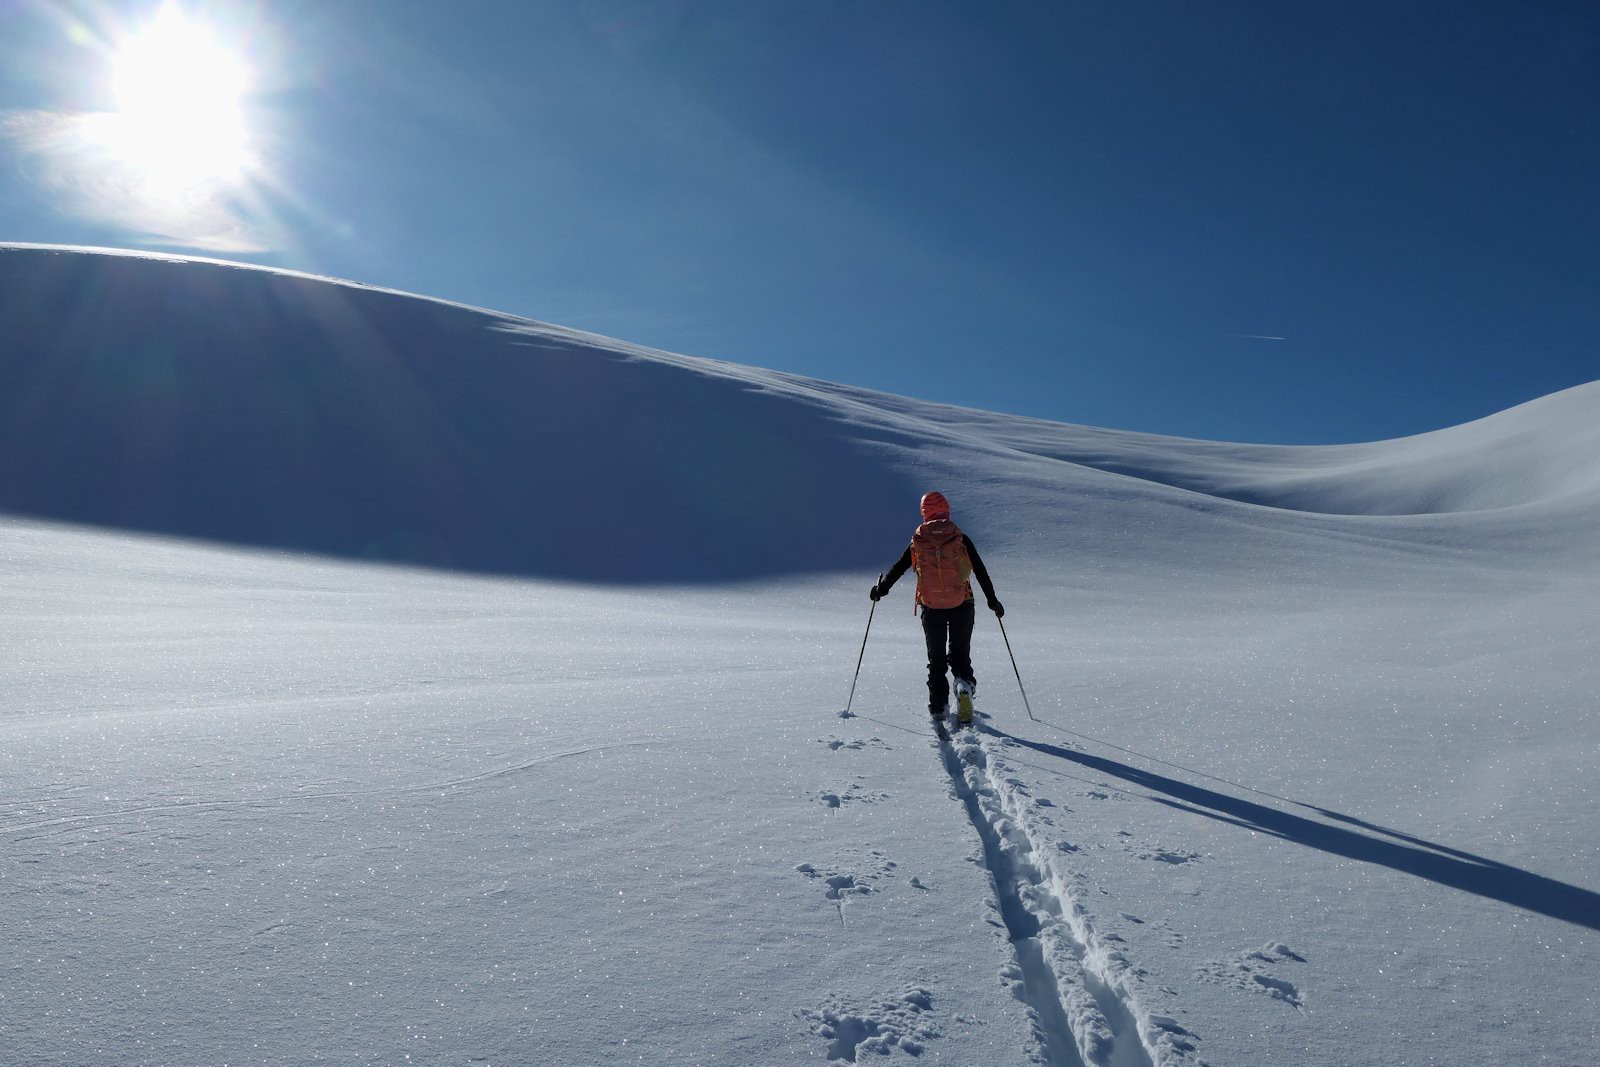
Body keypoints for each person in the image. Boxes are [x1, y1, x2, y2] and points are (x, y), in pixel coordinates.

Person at [870, 491, 1004, 724]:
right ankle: (963, 686)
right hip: (963, 603)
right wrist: (993, 601)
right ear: (946, 509)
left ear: (924, 512)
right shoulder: (960, 537)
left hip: (931, 608)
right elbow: (980, 570)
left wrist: (881, 590)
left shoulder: (918, 540)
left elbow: (900, 567)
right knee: (960, 655)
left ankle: (938, 707)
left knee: (937, 659)